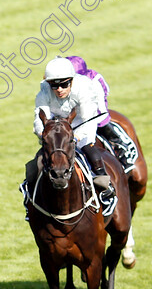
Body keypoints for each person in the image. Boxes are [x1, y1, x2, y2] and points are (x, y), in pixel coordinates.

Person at [30, 57, 115, 204]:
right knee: (36, 163)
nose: (59, 90)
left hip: (82, 122)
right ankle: (29, 195)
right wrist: (43, 134)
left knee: (88, 148)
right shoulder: (44, 91)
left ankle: (105, 185)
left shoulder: (84, 88)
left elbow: (88, 119)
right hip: (58, 126)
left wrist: (76, 137)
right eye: (54, 86)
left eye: (63, 85)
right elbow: (40, 116)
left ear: (72, 80)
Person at [65, 56, 138, 170]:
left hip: (96, 114)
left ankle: (121, 148)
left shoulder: (94, 81)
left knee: (101, 123)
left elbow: (100, 106)